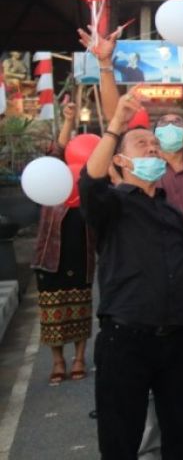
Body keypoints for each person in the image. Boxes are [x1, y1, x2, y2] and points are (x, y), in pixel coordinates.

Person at [81, 90, 183, 460]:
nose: (153, 148)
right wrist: (116, 125)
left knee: (181, 434)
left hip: (173, 340)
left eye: (155, 144)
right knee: (121, 438)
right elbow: (90, 182)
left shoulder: (171, 214)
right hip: (125, 338)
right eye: (142, 144)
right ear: (121, 160)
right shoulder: (111, 205)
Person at [33, 101, 94, 385]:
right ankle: (57, 360)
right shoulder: (52, 174)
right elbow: (57, 150)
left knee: (81, 303)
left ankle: (79, 357)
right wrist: (68, 120)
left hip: (80, 249)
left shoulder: (90, 176)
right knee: (51, 309)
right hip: (50, 250)